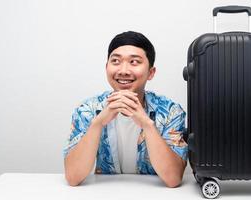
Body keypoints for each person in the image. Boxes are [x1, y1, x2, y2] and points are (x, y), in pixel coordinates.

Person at [63, 31, 187, 188]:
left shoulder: (170, 111)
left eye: (134, 62)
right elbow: (73, 177)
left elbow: (173, 178)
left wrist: (147, 124)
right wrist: (98, 123)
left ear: (151, 72)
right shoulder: (87, 109)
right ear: (106, 67)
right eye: (115, 61)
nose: (123, 70)